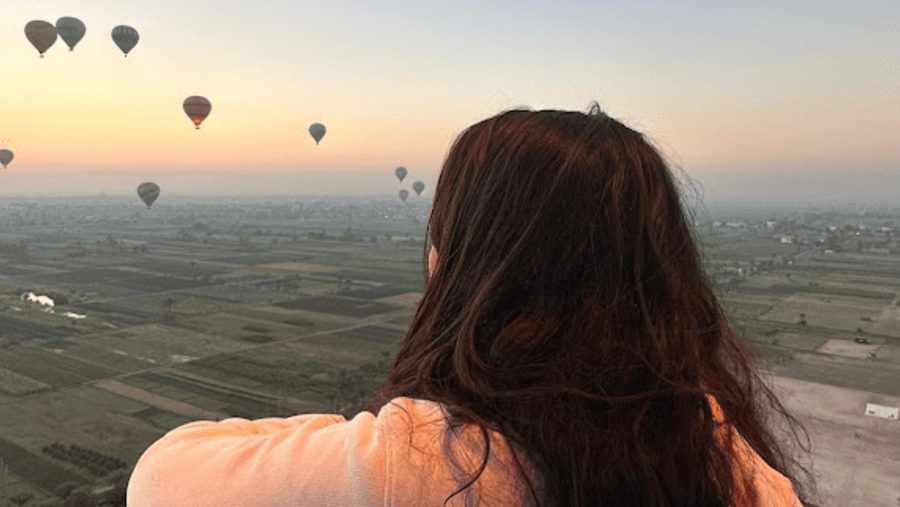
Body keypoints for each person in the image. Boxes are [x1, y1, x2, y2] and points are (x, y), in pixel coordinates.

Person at [127, 105, 813, 507]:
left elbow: (161, 476)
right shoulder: (739, 468)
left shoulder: (430, 460)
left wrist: (377, 423)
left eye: (444, 238)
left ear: (467, 270)